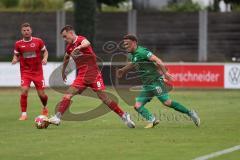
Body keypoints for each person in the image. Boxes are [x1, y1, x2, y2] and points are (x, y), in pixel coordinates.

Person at [47, 25, 135, 128]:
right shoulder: (69, 47)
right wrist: (63, 71)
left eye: (65, 36)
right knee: (68, 95)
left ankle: (124, 116)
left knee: (104, 98)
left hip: (94, 75)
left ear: (71, 33)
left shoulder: (80, 39)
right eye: (63, 37)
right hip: (81, 76)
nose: (65, 39)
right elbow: (66, 57)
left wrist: (78, 47)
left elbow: (87, 43)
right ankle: (57, 118)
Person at [117, 34, 200, 128]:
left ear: (134, 43)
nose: (125, 46)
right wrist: (123, 70)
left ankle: (191, 113)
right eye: (124, 44)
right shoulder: (133, 55)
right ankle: (153, 120)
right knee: (137, 106)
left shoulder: (142, 52)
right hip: (147, 85)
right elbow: (133, 63)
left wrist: (165, 73)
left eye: (127, 44)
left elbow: (158, 60)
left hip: (155, 82)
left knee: (167, 102)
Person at [12, 22, 49, 120]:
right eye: (24, 30)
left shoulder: (38, 41)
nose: (26, 32)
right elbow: (16, 54)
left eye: (28, 30)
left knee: (42, 95)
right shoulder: (18, 44)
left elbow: (45, 51)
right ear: (21, 32)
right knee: (24, 91)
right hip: (25, 72)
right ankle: (24, 114)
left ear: (31, 31)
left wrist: (45, 58)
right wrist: (15, 59)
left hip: (38, 72)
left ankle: (45, 107)